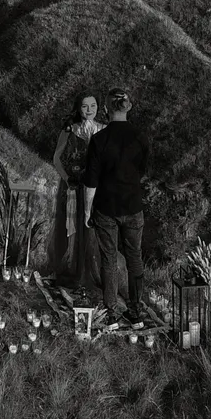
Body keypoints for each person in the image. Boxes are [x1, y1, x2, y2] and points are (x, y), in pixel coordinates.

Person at [82, 87, 150, 325]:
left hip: (106, 207)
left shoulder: (99, 140)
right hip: (132, 205)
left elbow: (90, 182)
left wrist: (87, 210)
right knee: (134, 258)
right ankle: (136, 311)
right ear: (128, 107)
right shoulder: (141, 137)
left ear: (105, 109)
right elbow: (142, 171)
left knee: (109, 259)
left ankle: (111, 313)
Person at [46, 92, 105, 291]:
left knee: (90, 229)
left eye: (93, 106)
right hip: (72, 185)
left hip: (94, 187)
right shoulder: (70, 130)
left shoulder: (103, 129)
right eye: (85, 106)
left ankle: (89, 271)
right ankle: (67, 268)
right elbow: (57, 157)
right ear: (78, 108)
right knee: (69, 226)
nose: (89, 110)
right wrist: (67, 177)